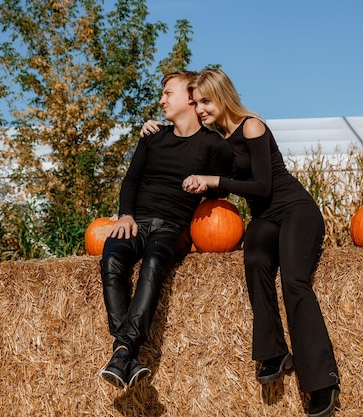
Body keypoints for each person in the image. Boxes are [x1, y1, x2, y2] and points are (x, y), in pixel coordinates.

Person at [142, 68, 340, 417]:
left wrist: (214, 178)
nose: (200, 108)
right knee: (254, 262)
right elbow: (223, 185)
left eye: (205, 101)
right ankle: (274, 351)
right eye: (196, 103)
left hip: (294, 210)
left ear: (221, 95)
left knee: (294, 283)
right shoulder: (218, 141)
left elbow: (262, 186)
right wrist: (161, 138)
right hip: (265, 219)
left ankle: (322, 381)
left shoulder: (251, 126)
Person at [99, 70, 232, 390]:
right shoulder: (153, 137)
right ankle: (125, 352)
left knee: (153, 265)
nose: (161, 100)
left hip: (173, 228)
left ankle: (122, 350)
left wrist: (205, 186)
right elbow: (130, 180)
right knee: (111, 260)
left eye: (167, 94)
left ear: (190, 98)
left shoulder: (213, 144)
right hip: (137, 222)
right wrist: (125, 215)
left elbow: (221, 190)